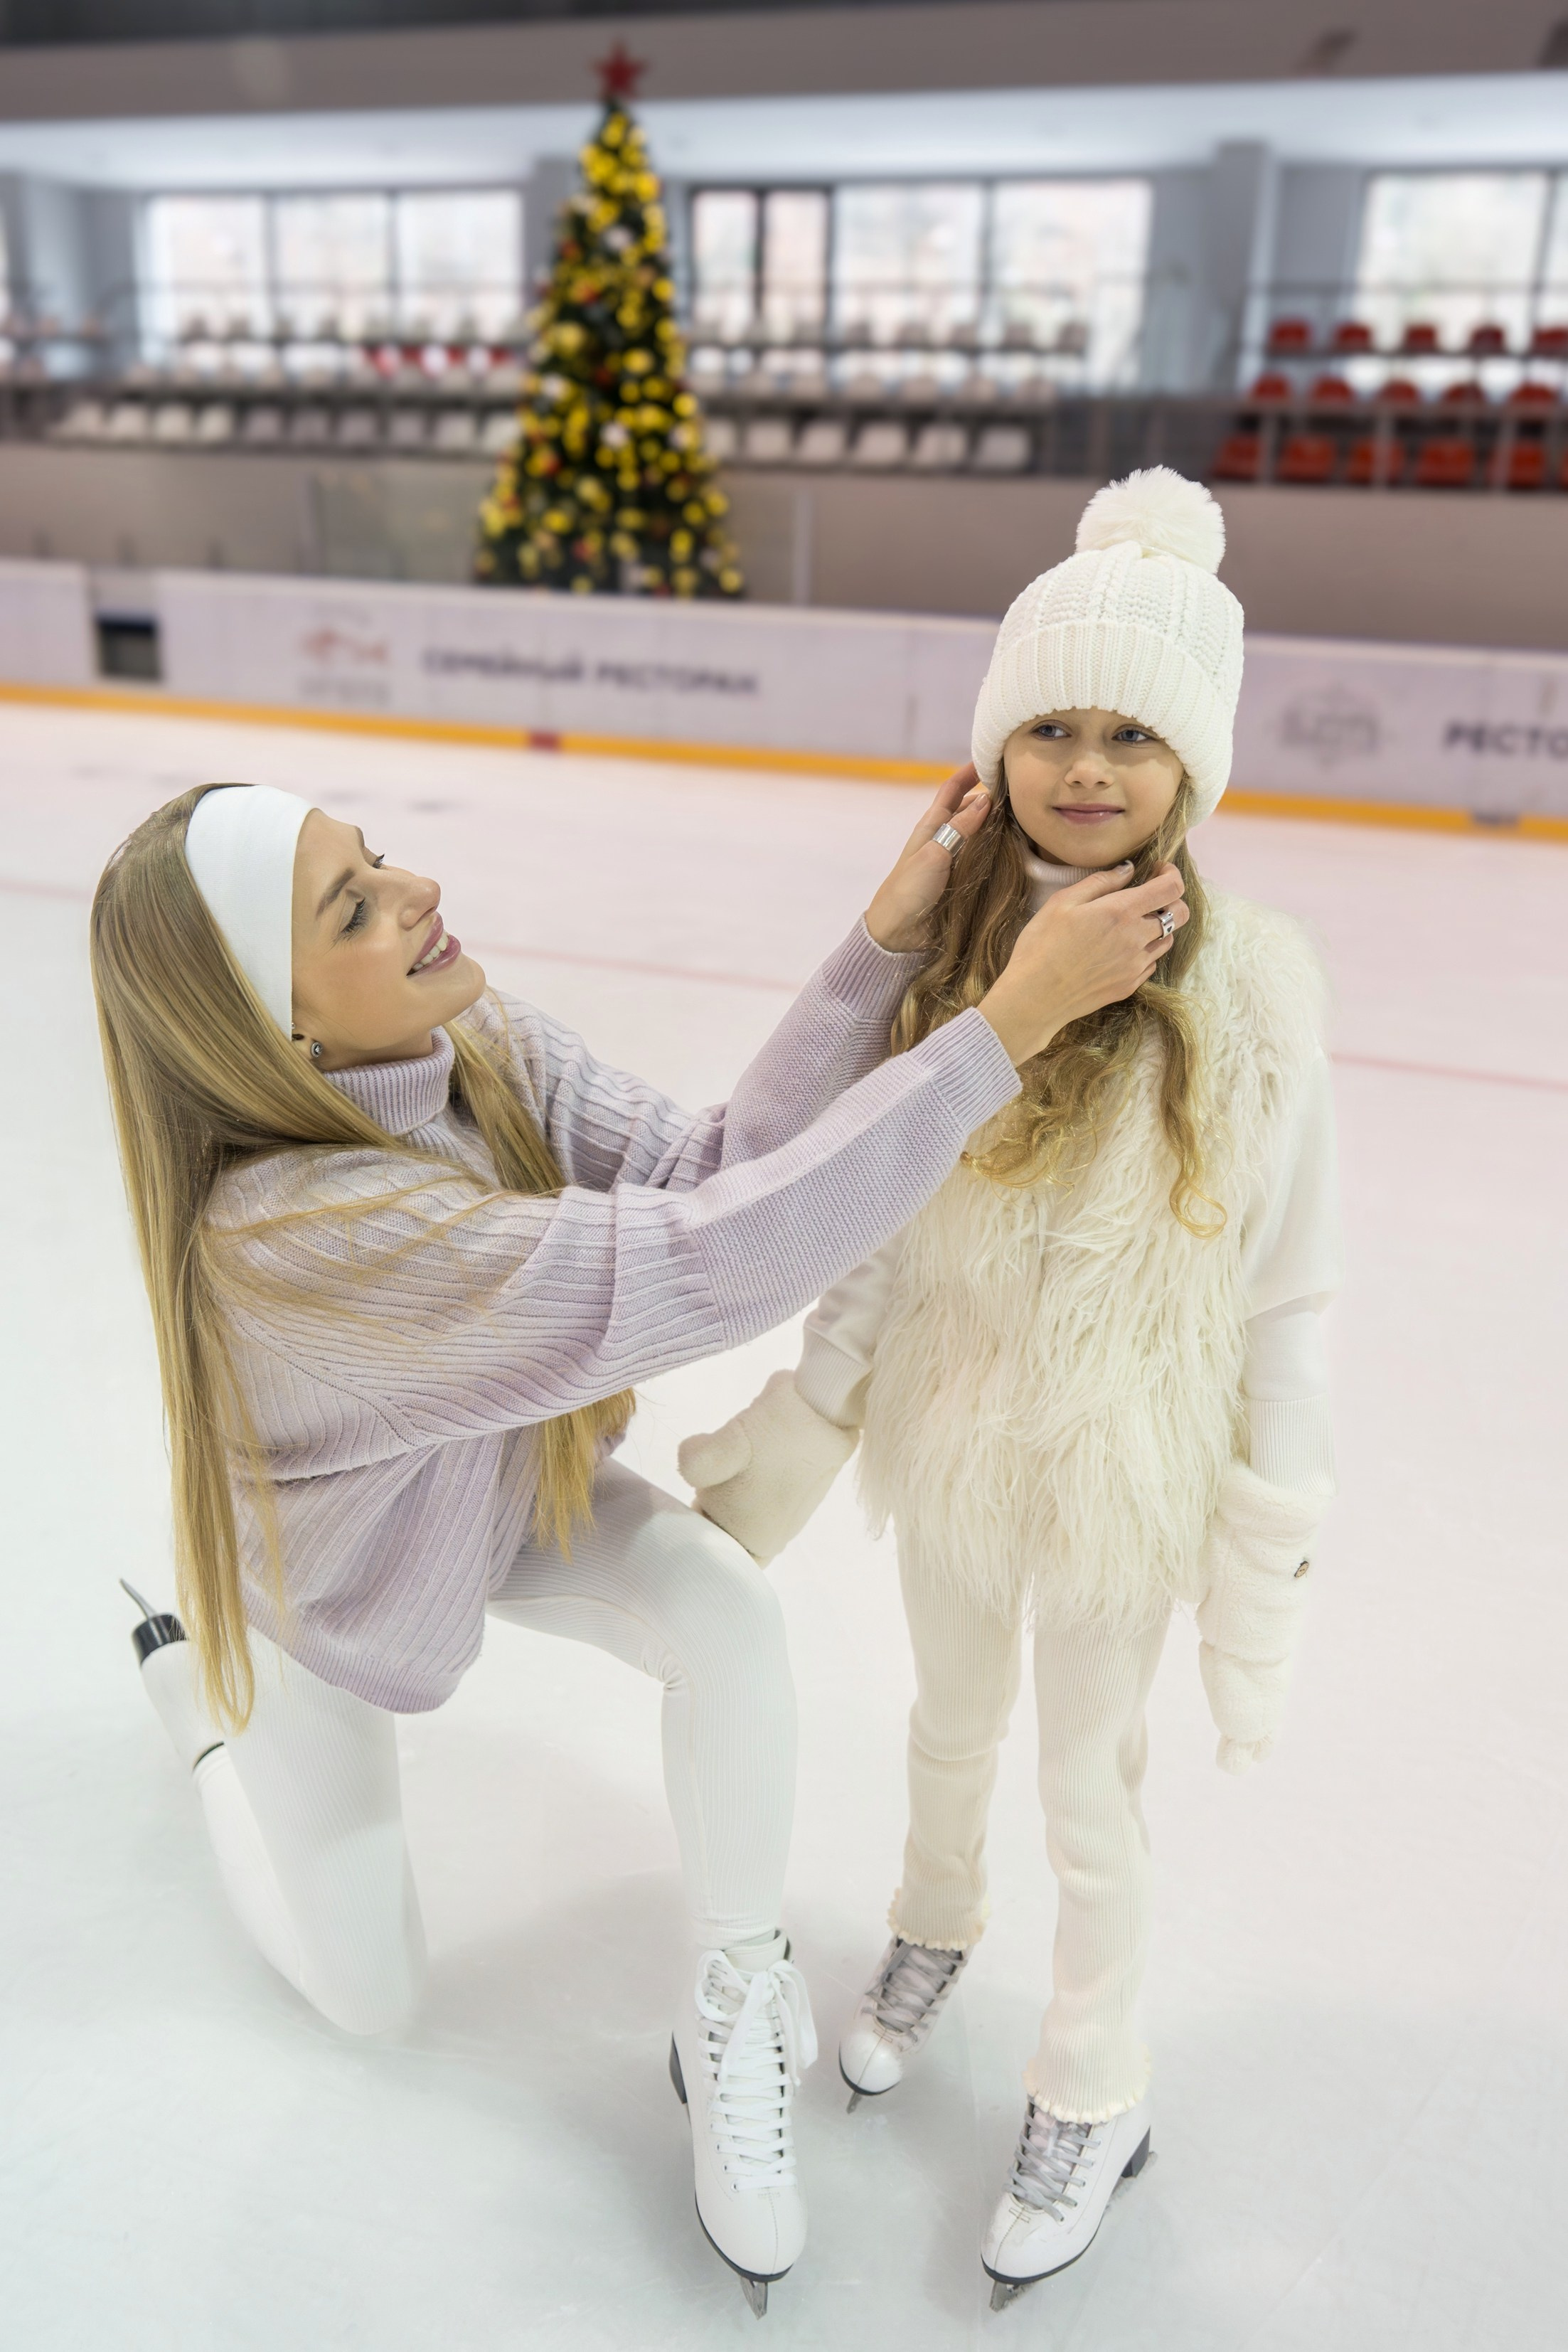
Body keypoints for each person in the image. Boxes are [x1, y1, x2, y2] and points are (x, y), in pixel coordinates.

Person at [91, 760, 1186, 2314]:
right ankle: (208, 1714)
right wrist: (995, 1032)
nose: (417, 893)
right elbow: (716, 1261)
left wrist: (877, 945)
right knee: (370, 2000)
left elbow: (702, 1169)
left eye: (381, 856)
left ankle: (733, 1994)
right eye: (354, 904)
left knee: (720, 1611)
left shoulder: (461, 1034)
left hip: (504, 1483)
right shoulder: (295, 1241)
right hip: (332, 1595)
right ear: (278, 1033)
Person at [681, 469, 1341, 2306]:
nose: (1081, 763)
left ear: (1189, 764)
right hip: (956, 1430)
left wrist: (1261, 1561)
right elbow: (878, 1222)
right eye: (1046, 722)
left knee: (1088, 1785)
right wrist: (809, 1411)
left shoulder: (1256, 996)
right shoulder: (949, 980)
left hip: (1122, 1467)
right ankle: (927, 1925)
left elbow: (1291, 1297)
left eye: (1127, 731)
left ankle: (1090, 2081)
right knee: (946, 1723)